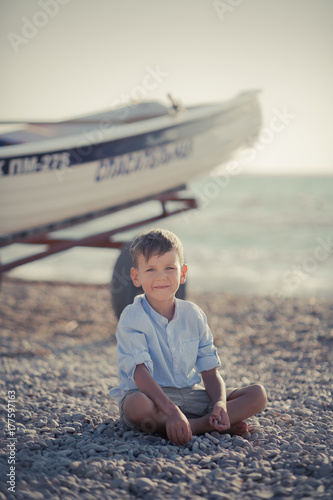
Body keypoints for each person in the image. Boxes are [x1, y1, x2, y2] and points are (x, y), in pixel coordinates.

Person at [109, 228, 267, 445]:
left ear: (183, 273)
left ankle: (197, 422)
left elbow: (210, 372)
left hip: (191, 396)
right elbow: (140, 374)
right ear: (136, 276)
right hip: (153, 399)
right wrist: (172, 411)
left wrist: (220, 404)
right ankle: (203, 425)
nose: (161, 276)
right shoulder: (132, 316)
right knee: (136, 406)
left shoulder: (193, 314)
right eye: (151, 269)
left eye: (169, 268)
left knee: (257, 394)